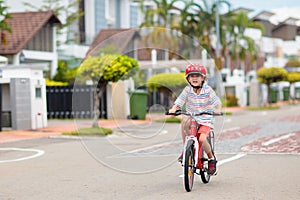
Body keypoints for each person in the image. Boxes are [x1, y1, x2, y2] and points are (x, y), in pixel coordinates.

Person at [168, 63, 222, 175]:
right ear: (188, 78)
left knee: (202, 139)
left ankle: (211, 159)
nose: (195, 78)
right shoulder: (187, 90)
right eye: (192, 76)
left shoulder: (208, 90)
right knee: (184, 121)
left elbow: (217, 103)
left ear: (203, 78)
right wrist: (173, 109)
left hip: (205, 119)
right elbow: (178, 102)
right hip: (192, 118)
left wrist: (217, 110)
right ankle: (186, 149)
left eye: (198, 76)